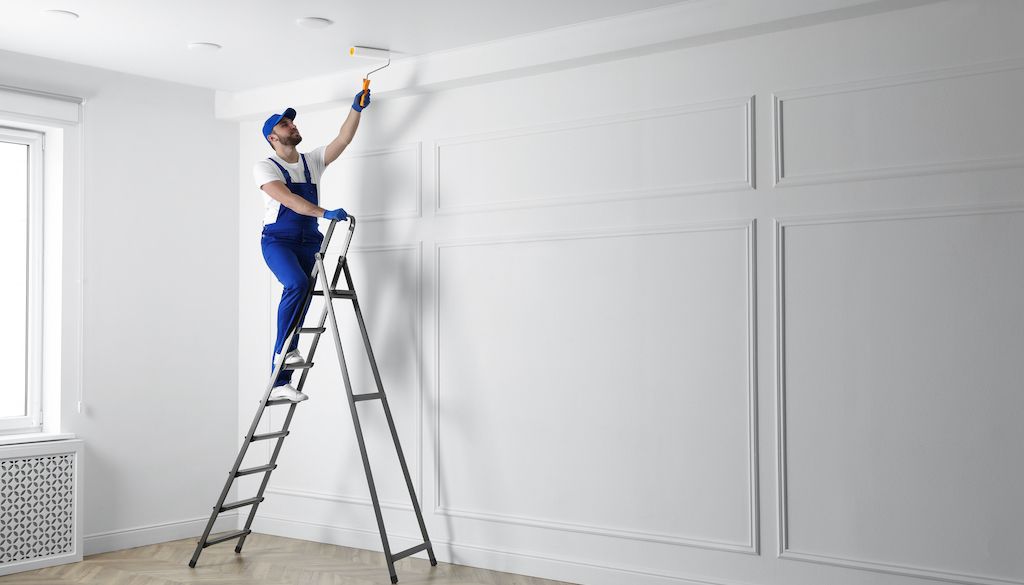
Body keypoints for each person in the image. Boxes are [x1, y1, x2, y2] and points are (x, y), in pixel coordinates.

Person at [252, 88, 371, 402]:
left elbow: (342, 140)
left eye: (291, 122)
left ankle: (280, 383)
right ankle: (282, 352)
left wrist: (355, 108)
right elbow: (289, 200)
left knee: (303, 299)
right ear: (272, 138)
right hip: (278, 241)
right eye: (284, 125)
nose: (292, 126)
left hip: (309, 242)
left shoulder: (311, 162)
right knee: (296, 284)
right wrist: (324, 212)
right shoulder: (265, 168)